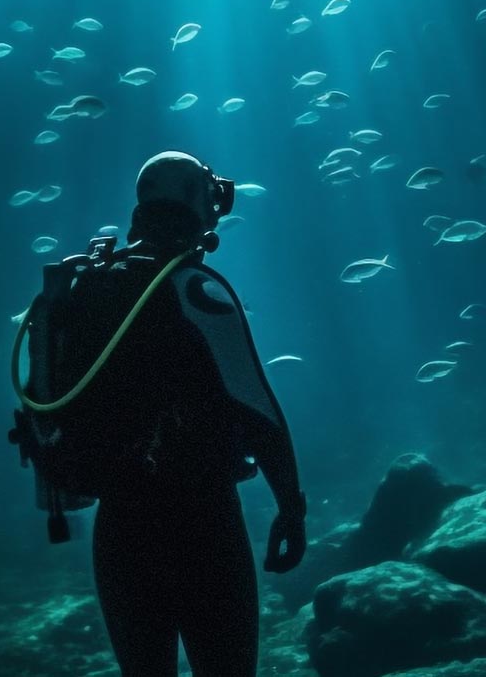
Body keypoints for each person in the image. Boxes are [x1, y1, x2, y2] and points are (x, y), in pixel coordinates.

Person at [68, 151, 307, 677]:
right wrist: (291, 506)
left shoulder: (92, 286)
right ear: (199, 205)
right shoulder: (196, 289)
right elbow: (257, 408)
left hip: (120, 527)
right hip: (202, 522)